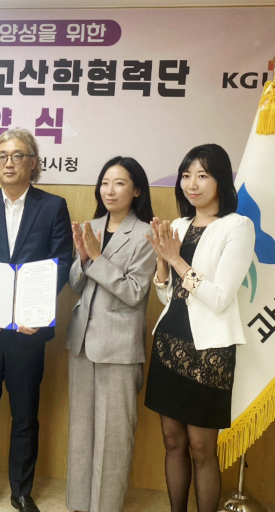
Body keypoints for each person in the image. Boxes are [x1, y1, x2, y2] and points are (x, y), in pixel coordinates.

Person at [0, 128, 73, 512]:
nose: (9, 162)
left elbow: (62, 262)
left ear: (33, 162)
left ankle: (21, 492)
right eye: (2, 155)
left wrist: (37, 312)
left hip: (27, 330)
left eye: (17, 155)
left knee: (25, 415)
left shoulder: (52, 206)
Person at [144, 144, 255, 512]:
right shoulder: (178, 225)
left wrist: (175, 259)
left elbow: (220, 297)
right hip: (168, 342)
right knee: (172, 441)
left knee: (202, 448)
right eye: (186, 175)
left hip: (209, 351)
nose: (191, 184)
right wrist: (162, 263)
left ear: (220, 180)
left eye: (202, 175)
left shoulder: (237, 226)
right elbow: (168, 295)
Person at [65, 157, 156, 512]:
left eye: (119, 183)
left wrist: (97, 258)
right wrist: (84, 258)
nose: (110, 190)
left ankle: (105, 507)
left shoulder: (146, 234)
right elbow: (76, 285)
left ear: (137, 191)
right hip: (82, 342)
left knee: (114, 434)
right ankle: (79, 504)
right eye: (105, 182)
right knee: (81, 430)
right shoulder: (91, 226)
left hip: (119, 346)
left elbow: (134, 292)